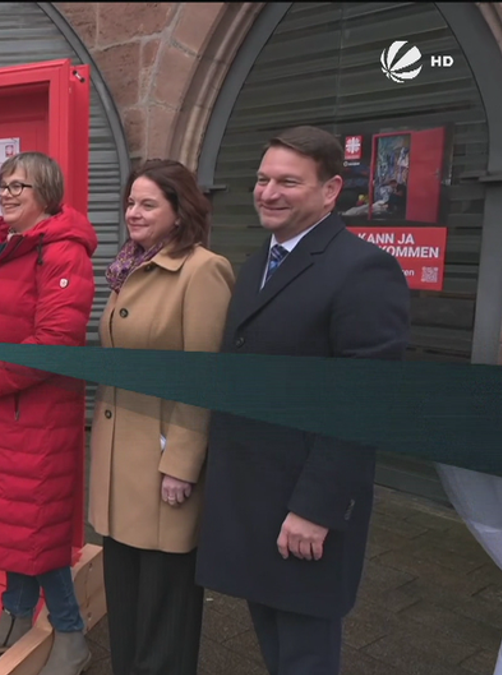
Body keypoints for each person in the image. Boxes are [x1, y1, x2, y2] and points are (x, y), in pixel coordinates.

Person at [196, 126, 411, 675]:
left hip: (302, 507)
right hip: (251, 498)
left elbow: (363, 404)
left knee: (303, 656)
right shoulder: (256, 264)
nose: (268, 192)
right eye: (263, 178)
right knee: (273, 645)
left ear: (331, 189)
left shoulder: (363, 269)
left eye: (288, 181)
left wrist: (315, 509)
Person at [0, 152, 97, 675]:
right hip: (4, 412)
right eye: (2, 185)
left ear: (46, 194)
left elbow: (55, 342)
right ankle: (14, 618)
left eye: (19, 186)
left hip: (34, 415)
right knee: (12, 520)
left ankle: (71, 637)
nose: (6, 194)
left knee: (38, 530)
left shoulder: (62, 253)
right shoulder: (9, 246)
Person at [88, 159, 235, 675]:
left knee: (164, 604)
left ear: (179, 211)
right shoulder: (128, 267)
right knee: (125, 600)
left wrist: (183, 462)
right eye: (130, 202)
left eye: (148, 203)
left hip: (161, 461)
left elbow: (204, 377)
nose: (134, 212)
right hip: (118, 459)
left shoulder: (203, 271)